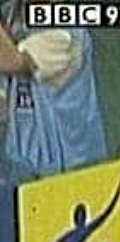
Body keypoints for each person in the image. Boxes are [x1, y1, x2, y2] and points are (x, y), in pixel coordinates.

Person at [0, 0, 107, 177]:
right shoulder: (10, 15)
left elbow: (13, 61)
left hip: (74, 176)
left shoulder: (67, 31)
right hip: (19, 169)